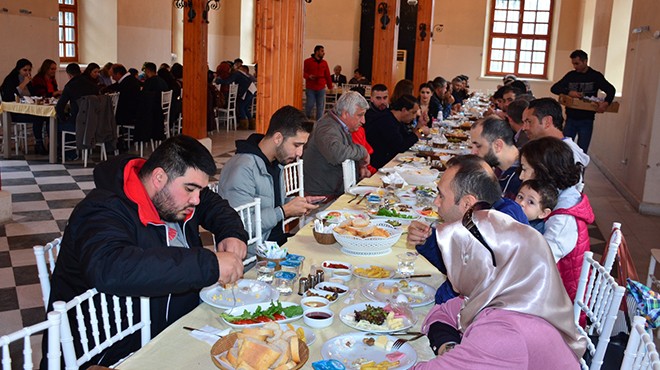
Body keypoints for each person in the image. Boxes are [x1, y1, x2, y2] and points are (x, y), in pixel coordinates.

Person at [42, 135, 248, 368]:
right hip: (110, 352)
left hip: (173, 329)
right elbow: (112, 268)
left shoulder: (177, 197)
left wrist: (231, 233)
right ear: (159, 177)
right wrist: (209, 265)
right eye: (190, 189)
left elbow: (213, 204)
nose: (196, 200)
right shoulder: (100, 209)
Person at [413, 210, 586, 369]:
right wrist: (448, 345)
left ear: (479, 267)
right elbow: (441, 313)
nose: (450, 271)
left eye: (453, 262)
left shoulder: (504, 332)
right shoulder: (512, 293)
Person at [407, 155, 528, 304]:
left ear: (467, 204)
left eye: (441, 196)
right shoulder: (501, 210)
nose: (436, 202)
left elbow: (452, 299)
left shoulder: (490, 237)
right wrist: (428, 241)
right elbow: (455, 268)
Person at [219, 106, 324, 247]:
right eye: (296, 145)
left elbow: (271, 203)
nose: (299, 153)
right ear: (278, 138)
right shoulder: (242, 169)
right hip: (257, 254)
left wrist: (298, 203)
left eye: (302, 146)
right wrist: (284, 211)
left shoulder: (274, 163)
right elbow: (240, 226)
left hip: (276, 243)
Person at [519, 137, 595, 301]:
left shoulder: (563, 219)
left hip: (560, 302)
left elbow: (539, 263)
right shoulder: (562, 196)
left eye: (525, 169)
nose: (520, 176)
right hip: (553, 288)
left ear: (542, 172)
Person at [303, 91, 370, 197]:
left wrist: (360, 167)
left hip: (333, 191)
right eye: (360, 115)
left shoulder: (338, 125)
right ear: (345, 113)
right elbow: (337, 154)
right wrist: (363, 152)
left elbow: (346, 152)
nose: (363, 121)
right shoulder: (327, 127)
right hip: (321, 197)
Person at [551, 49, 616, 152]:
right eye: (573, 64)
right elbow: (554, 88)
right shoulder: (571, 75)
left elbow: (611, 90)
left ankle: (580, 168)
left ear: (585, 61)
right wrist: (569, 92)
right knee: (565, 149)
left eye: (577, 63)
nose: (575, 66)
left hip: (587, 119)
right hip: (571, 118)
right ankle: (565, 168)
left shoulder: (595, 76)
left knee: (582, 150)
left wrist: (606, 103)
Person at [522, 97, 590, 169]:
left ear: (547, 121)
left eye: (529, 121)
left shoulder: (566, 156)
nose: (524, 128)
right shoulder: (547, 148)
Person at [1, 58, 50, 155]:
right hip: (15, 112)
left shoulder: (29, 81)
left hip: (29, 109)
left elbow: (33, 94)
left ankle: (51, 143)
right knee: (38, 118)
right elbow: (10, 96)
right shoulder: (10, 80)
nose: (27, 72)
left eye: (29, 70)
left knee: (48, 117)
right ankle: (39, 144)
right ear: (18, 69)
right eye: (25, 70)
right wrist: (23, 84)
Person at [364, 94, 424, 169]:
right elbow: (401, 146)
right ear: (404, 110)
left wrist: (419, 126)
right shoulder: (386, 121)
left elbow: (406, 138)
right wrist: (420, 132)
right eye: (413, 112)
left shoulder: (396, 119)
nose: (415, 116)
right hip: (377, 164)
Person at [469, 116, 522, 200]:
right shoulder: (500, 167)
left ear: (498, 145)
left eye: (478, 146)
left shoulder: (522, 178)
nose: (473, 152)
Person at [55, 63, 100, 160]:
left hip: (78, 123)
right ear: (80, 72)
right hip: (94, 122)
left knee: (57, 125)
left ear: (69, 75)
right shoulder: (93, 85)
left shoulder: (70, 86)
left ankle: (66, 153)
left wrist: (63, 119)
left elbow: (59, 107)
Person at [303, 45, 333, 120]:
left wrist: (330, 86)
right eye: (322, 51)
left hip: (321, 87)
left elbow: (327, 75)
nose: (324, 53)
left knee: (320, 106)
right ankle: (306, 119)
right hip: (311, 87)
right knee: (310, 104)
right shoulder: (307, 61)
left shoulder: (324, 63)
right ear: (317, 52)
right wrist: (308, 76)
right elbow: (302, 72)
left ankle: (319, 122)